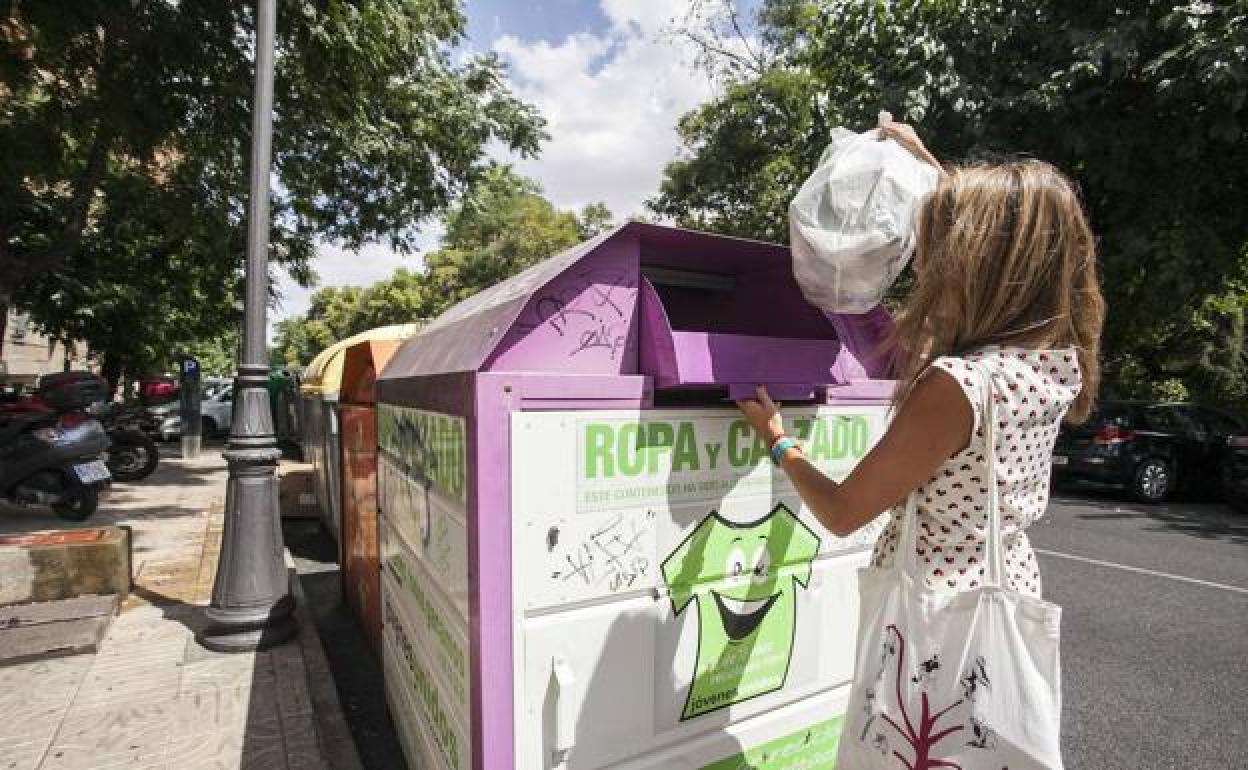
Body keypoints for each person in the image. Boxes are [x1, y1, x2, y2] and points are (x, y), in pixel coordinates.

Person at [736, 122, 1105, 596]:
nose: (920, 264)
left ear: (976, 265)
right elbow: (1009, 226)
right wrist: (926, 161)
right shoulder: (1052, 362)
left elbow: (842, 511)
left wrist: (778, 441)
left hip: (936, 614)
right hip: (1003, 589)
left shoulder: (955, 387)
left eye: (938, 249)